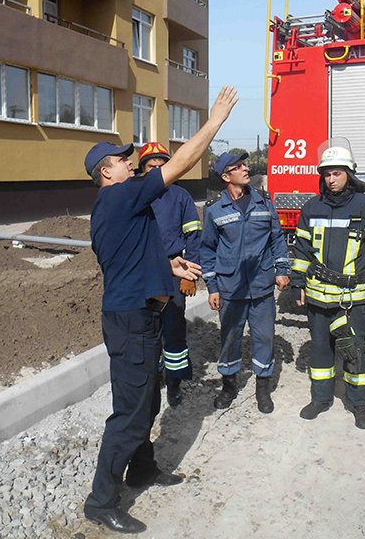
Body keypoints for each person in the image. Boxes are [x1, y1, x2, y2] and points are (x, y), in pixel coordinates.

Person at [83, 87, 238, 534]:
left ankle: (142, 468)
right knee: (129, 414)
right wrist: (214, 123)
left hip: (141, 314)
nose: (130, 161)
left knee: (147, 400)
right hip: (130, 320)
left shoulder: (124, 207)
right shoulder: (118, 197)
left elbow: (127, 256)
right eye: (121, 159)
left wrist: (170, 263)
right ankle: (101, 500)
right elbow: (182, 163)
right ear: (104, 173)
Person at [291, 144, 365, 428]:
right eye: (326, 174)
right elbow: (301, 250)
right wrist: (297, 282)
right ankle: (321, 399)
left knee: (356, 353)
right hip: (318, 299)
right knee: (321, 351)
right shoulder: (312, 208)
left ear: (349, 174)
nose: (331, 179)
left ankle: (358, 404)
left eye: (336, 173)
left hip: (353, 299)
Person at [201, 151, 290, 413]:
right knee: (230, 339)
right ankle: (229, 387)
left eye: (245, 164)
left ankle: (263, 389)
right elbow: (207, 250)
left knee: (264, 338)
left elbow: (277, 239)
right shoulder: (215, 210)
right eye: (238, 166)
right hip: (230, 288)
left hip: (261, 286)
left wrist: (282, 269)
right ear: (226, 176)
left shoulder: (263, 202)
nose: (246, 168)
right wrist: (212, 288)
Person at [137, 141, 203, 407]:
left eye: (162, 165)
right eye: (151, 166)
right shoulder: (135, 194)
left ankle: (174, 383)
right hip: (143, 273)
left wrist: (191, 273)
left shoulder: (180, 196)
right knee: (146, 328)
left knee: (174, 328)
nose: (157, 169)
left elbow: (194, 235)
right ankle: (152, 378)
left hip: (175, 272)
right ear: (142, 169)